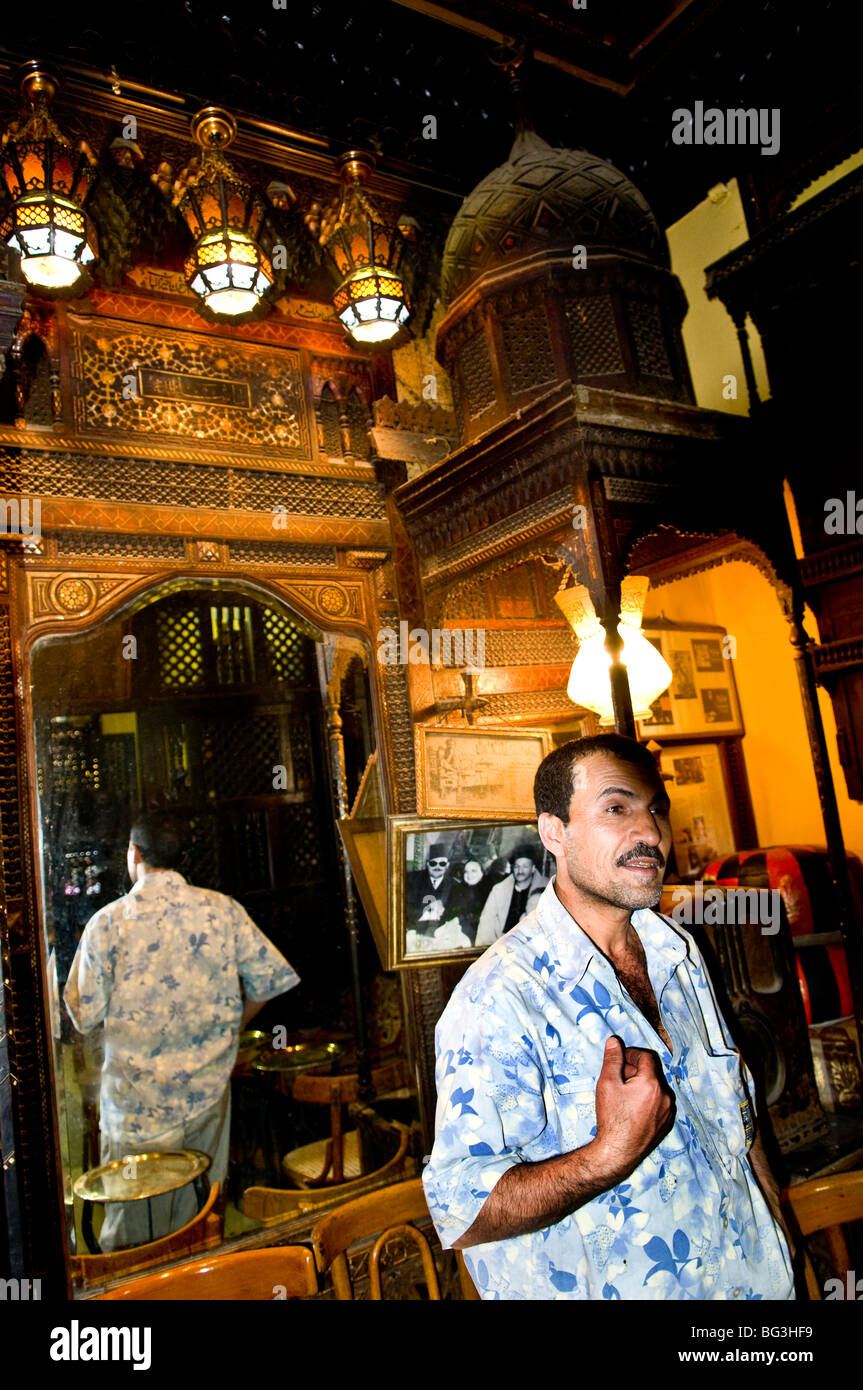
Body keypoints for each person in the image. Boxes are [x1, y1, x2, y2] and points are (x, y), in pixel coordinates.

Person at [423, 734, 794, 1300]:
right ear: (554, 832)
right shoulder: (498, 1000)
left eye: (655, 811)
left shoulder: (677, 953)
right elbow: (461, 1211)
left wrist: (781, 1239)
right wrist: (606, 1155)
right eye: (616, 808)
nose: (649, 834)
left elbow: (736, 1113)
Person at [64, 811, 298, 1251]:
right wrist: (230, 1030)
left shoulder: (108, 923)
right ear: (183, 857)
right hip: (207, 1094)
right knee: (201, 1221)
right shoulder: (223, 911)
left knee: (134, 1236)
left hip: (136, 1105)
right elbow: (270, 982)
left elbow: (82, 1014)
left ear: (133, 855)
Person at [474, 842, 547, 947]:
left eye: (525, 866)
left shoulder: (545, 888)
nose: (520, 871)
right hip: (500, 943)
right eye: (517, 866)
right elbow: (487, 921)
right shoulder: (499, 889)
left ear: (533, 868)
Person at [406, 840, 456, 930]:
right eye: (433, 863)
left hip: (441, 930)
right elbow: (406, 906)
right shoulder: (412, 879)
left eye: (442, 863)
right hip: (415, 927)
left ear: (447, 865)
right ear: (428, 864)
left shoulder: (454, 885)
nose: (438, 867)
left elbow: (454, 912)